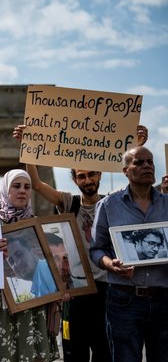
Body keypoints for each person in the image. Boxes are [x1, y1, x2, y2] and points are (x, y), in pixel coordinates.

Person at [12, 123, 148, 361]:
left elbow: (133, 181)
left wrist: (137, 147)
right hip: (75, 293)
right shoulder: (68, 203)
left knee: (105, 352)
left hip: (108, 289)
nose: (88, 180)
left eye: (92, 174)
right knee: (74, 352)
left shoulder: (113, 203)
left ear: (100, 175)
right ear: (75, 180)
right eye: (82, 176)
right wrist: (27, 146)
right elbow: (37, 184)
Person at [90, 146, 168, 361]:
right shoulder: (107, 206)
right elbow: (96, 249)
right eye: (139, 162)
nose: (147, 166)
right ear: (125, 171)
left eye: (150, 162)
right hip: (124, 299)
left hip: (163, 298)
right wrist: (110, 264)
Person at [0, 169, 59, 362]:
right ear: (6, 190)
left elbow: (51, 263)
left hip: (35, 302)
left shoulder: (38, 226)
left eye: (27, 187)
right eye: (16, 186)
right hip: (0, 303)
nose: (22, 191)